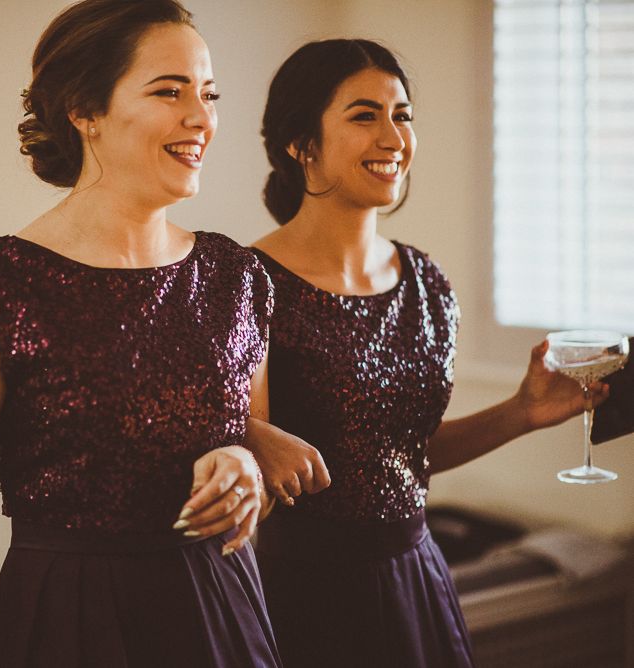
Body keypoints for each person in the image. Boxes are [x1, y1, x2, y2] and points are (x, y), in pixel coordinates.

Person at [0, 2, 282, 666]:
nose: (202, 116)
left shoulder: (238, 278)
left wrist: (246, 467)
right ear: (85, 110)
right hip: (65, 626)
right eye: (170, 90)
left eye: (208, 92)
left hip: (218, 618)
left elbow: (251, 449)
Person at [243, 38, 609, 668]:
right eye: (364, 115)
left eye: (402, 114)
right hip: (300, 596)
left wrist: (521, 411)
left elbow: (403, 458)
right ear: (301, 144)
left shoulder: (427, 283)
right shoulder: (246, 284)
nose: (393, 136)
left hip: (417, 578)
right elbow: (245, 463)